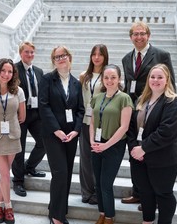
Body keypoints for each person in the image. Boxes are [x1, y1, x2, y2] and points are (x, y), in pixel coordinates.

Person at [121, 21, 176, 206]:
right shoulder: (126, 58)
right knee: (134, 154)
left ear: (148, 35)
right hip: (136, 113)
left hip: (155, 112)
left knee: (149, 154)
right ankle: (138, 192)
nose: (139, 37)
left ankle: (151, 199)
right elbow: (129, 86)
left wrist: (167, 106)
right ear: (131, 37)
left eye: (142, 33)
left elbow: (170, 83)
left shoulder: (161, 55)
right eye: (135, 34)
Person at [127, 64, 177, 224]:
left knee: (163, 193)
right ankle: (147, 221)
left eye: (160, 77)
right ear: (148, 79)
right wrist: (133, 148)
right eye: (152, 77)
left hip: (164, 158)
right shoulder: (141, 100)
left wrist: (143, 148)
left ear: (167, 80)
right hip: (138, 157)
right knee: (145, 192)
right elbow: (131, 127)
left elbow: (167, 131)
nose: (155, 80)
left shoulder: (173, 102)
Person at [39, 46, 85, 224]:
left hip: (71, 135)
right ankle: (57, 217)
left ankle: (57, 207)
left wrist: (76, 130)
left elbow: (80, 110)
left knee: (66, 174)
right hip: (52, 134)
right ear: (53, 60)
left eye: (63, 55)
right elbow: (43, 106)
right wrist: (56, 130)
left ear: (69, 57)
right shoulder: (47, 79)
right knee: (60, 173)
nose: (60, 59)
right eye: (57, 57)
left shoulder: (76, 83)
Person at [0, 58, 26, 224]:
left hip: (13, 136)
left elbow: (22, 116)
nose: (6, 74)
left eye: (10, 72)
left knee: (4, 174)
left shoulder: (18, 91)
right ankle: (8, 207)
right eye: (3, 71)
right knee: (6, 174)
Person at [90, 64, 133, 224]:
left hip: (114, 145)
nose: (109, 80)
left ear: (119, 79)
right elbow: (92, 122)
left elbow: (124, 127)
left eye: (113, 77)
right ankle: (102, 213)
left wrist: (105, 146)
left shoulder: (124, 98)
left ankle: (109, 216)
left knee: (106, 183)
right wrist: (92, 141)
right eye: (106, 77)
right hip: (97, 144)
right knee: (98, 182)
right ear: (102, 79)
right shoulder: (97, 98)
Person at [12, 41, 46, 197]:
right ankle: (18, 181)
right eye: (27, 52)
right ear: (21, 53)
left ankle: (29, 167)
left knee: (44, 142)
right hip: (20, 115)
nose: (30, 55)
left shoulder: (39, 71)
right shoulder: (14, 70)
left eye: (32, 52)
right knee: (19, 148)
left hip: (36, 114)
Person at [78, 44, 109, 205]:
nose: (97, 57)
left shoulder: (108, 75)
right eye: (94, 54)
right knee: (85, 158)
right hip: (84, 121)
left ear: (105, 56)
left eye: (100, 54)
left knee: (98, 158)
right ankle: (86, 191)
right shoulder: (84, 76)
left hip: (100, 123)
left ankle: (98, 191)